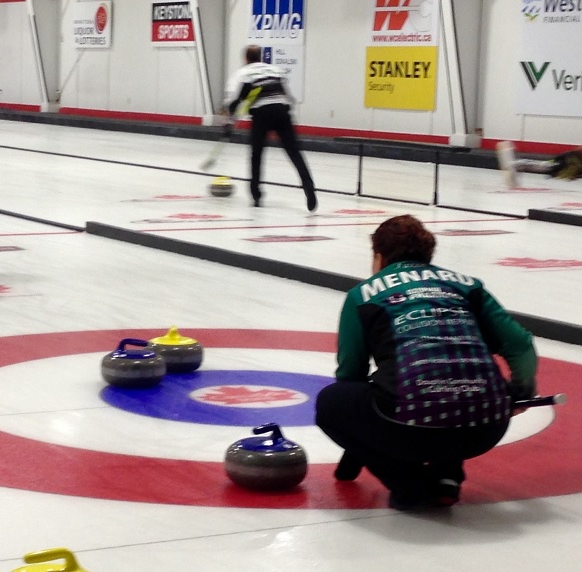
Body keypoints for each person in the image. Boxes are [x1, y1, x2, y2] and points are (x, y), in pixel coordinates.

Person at [315, 214, 538, 510]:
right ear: (428, 256)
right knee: (455, 374)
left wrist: (359, 444)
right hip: (487, 427)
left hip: (408, 431)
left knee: (331, 404)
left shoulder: (363, 295)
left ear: (378, 257)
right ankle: (447, 477)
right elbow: (520, 345)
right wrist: (520, 394)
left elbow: (351, 372)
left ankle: (411, 485)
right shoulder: (469, 286)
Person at [222, 45, 317, 211]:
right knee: (294, 153)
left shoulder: (244, 73)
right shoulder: (275, 70)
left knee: (257, 155)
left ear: (245, 59)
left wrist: (229, 122)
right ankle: (309, 187)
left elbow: (236, 100)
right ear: (261, 57)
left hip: (262, 114)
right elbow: (288, 96)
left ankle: (256, 195)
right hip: (282, 110)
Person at [496, 141, 582, 186]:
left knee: (536, 166)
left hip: (558, 166)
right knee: (537, 165)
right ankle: (511, 164)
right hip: (556, 165)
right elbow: (575, 152)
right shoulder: (572, 156)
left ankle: (511, 163)